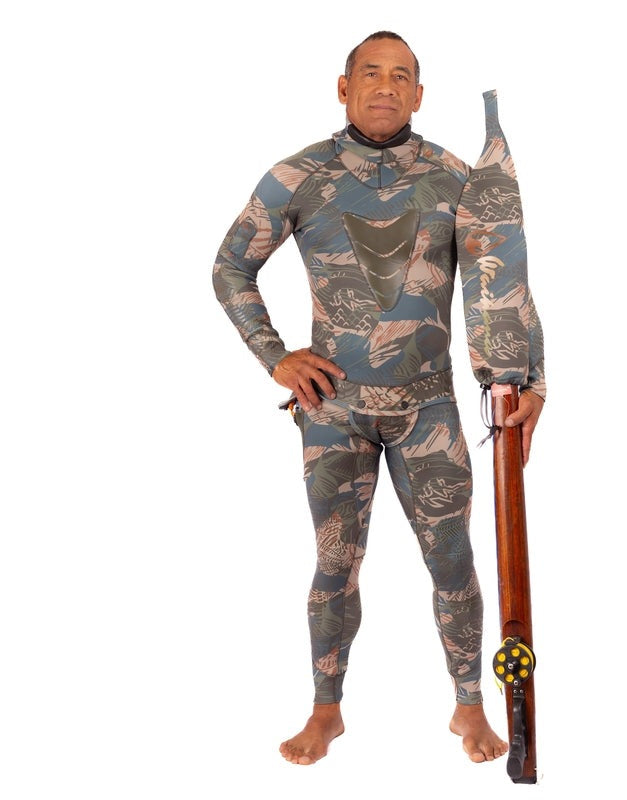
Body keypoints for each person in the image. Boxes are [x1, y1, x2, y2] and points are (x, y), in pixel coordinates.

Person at [213, 31, 545, 766]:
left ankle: (469, 707)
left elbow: (504, 280)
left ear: (419, 95)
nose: (386, 86)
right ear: (344, 87)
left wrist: (534, 380)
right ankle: (325, 710)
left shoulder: (455, 177)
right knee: (335, 564)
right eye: (371, 73)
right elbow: (231, 267)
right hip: (333, 410)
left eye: (401, 76)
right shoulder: (297, 176)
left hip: (430, 410)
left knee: (453, 563)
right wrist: (276, 357)